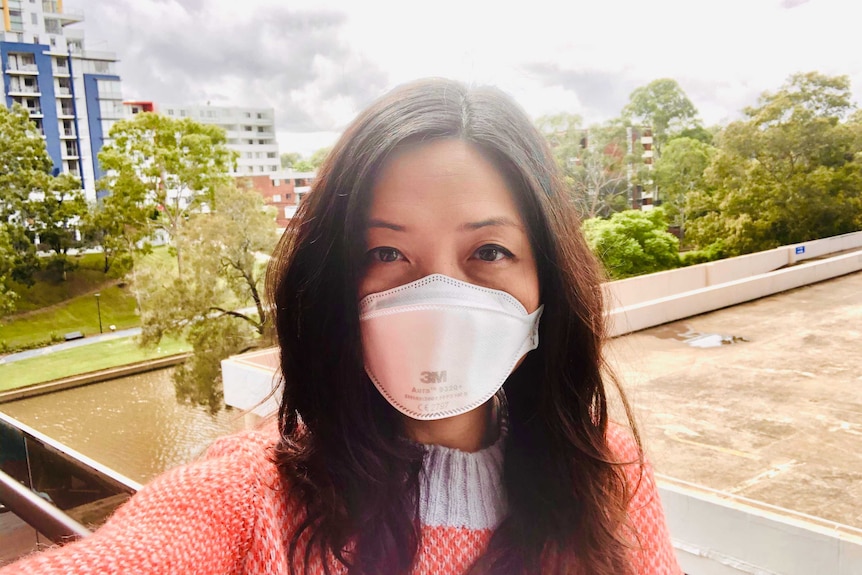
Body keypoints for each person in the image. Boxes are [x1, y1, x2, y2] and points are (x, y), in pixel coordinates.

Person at [1, 79, 681, 574]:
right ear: (334, 284)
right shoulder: (252, 500)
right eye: (386, 253)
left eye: (488, 252)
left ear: (546, 286)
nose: (437, 295)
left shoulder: (610, 475)